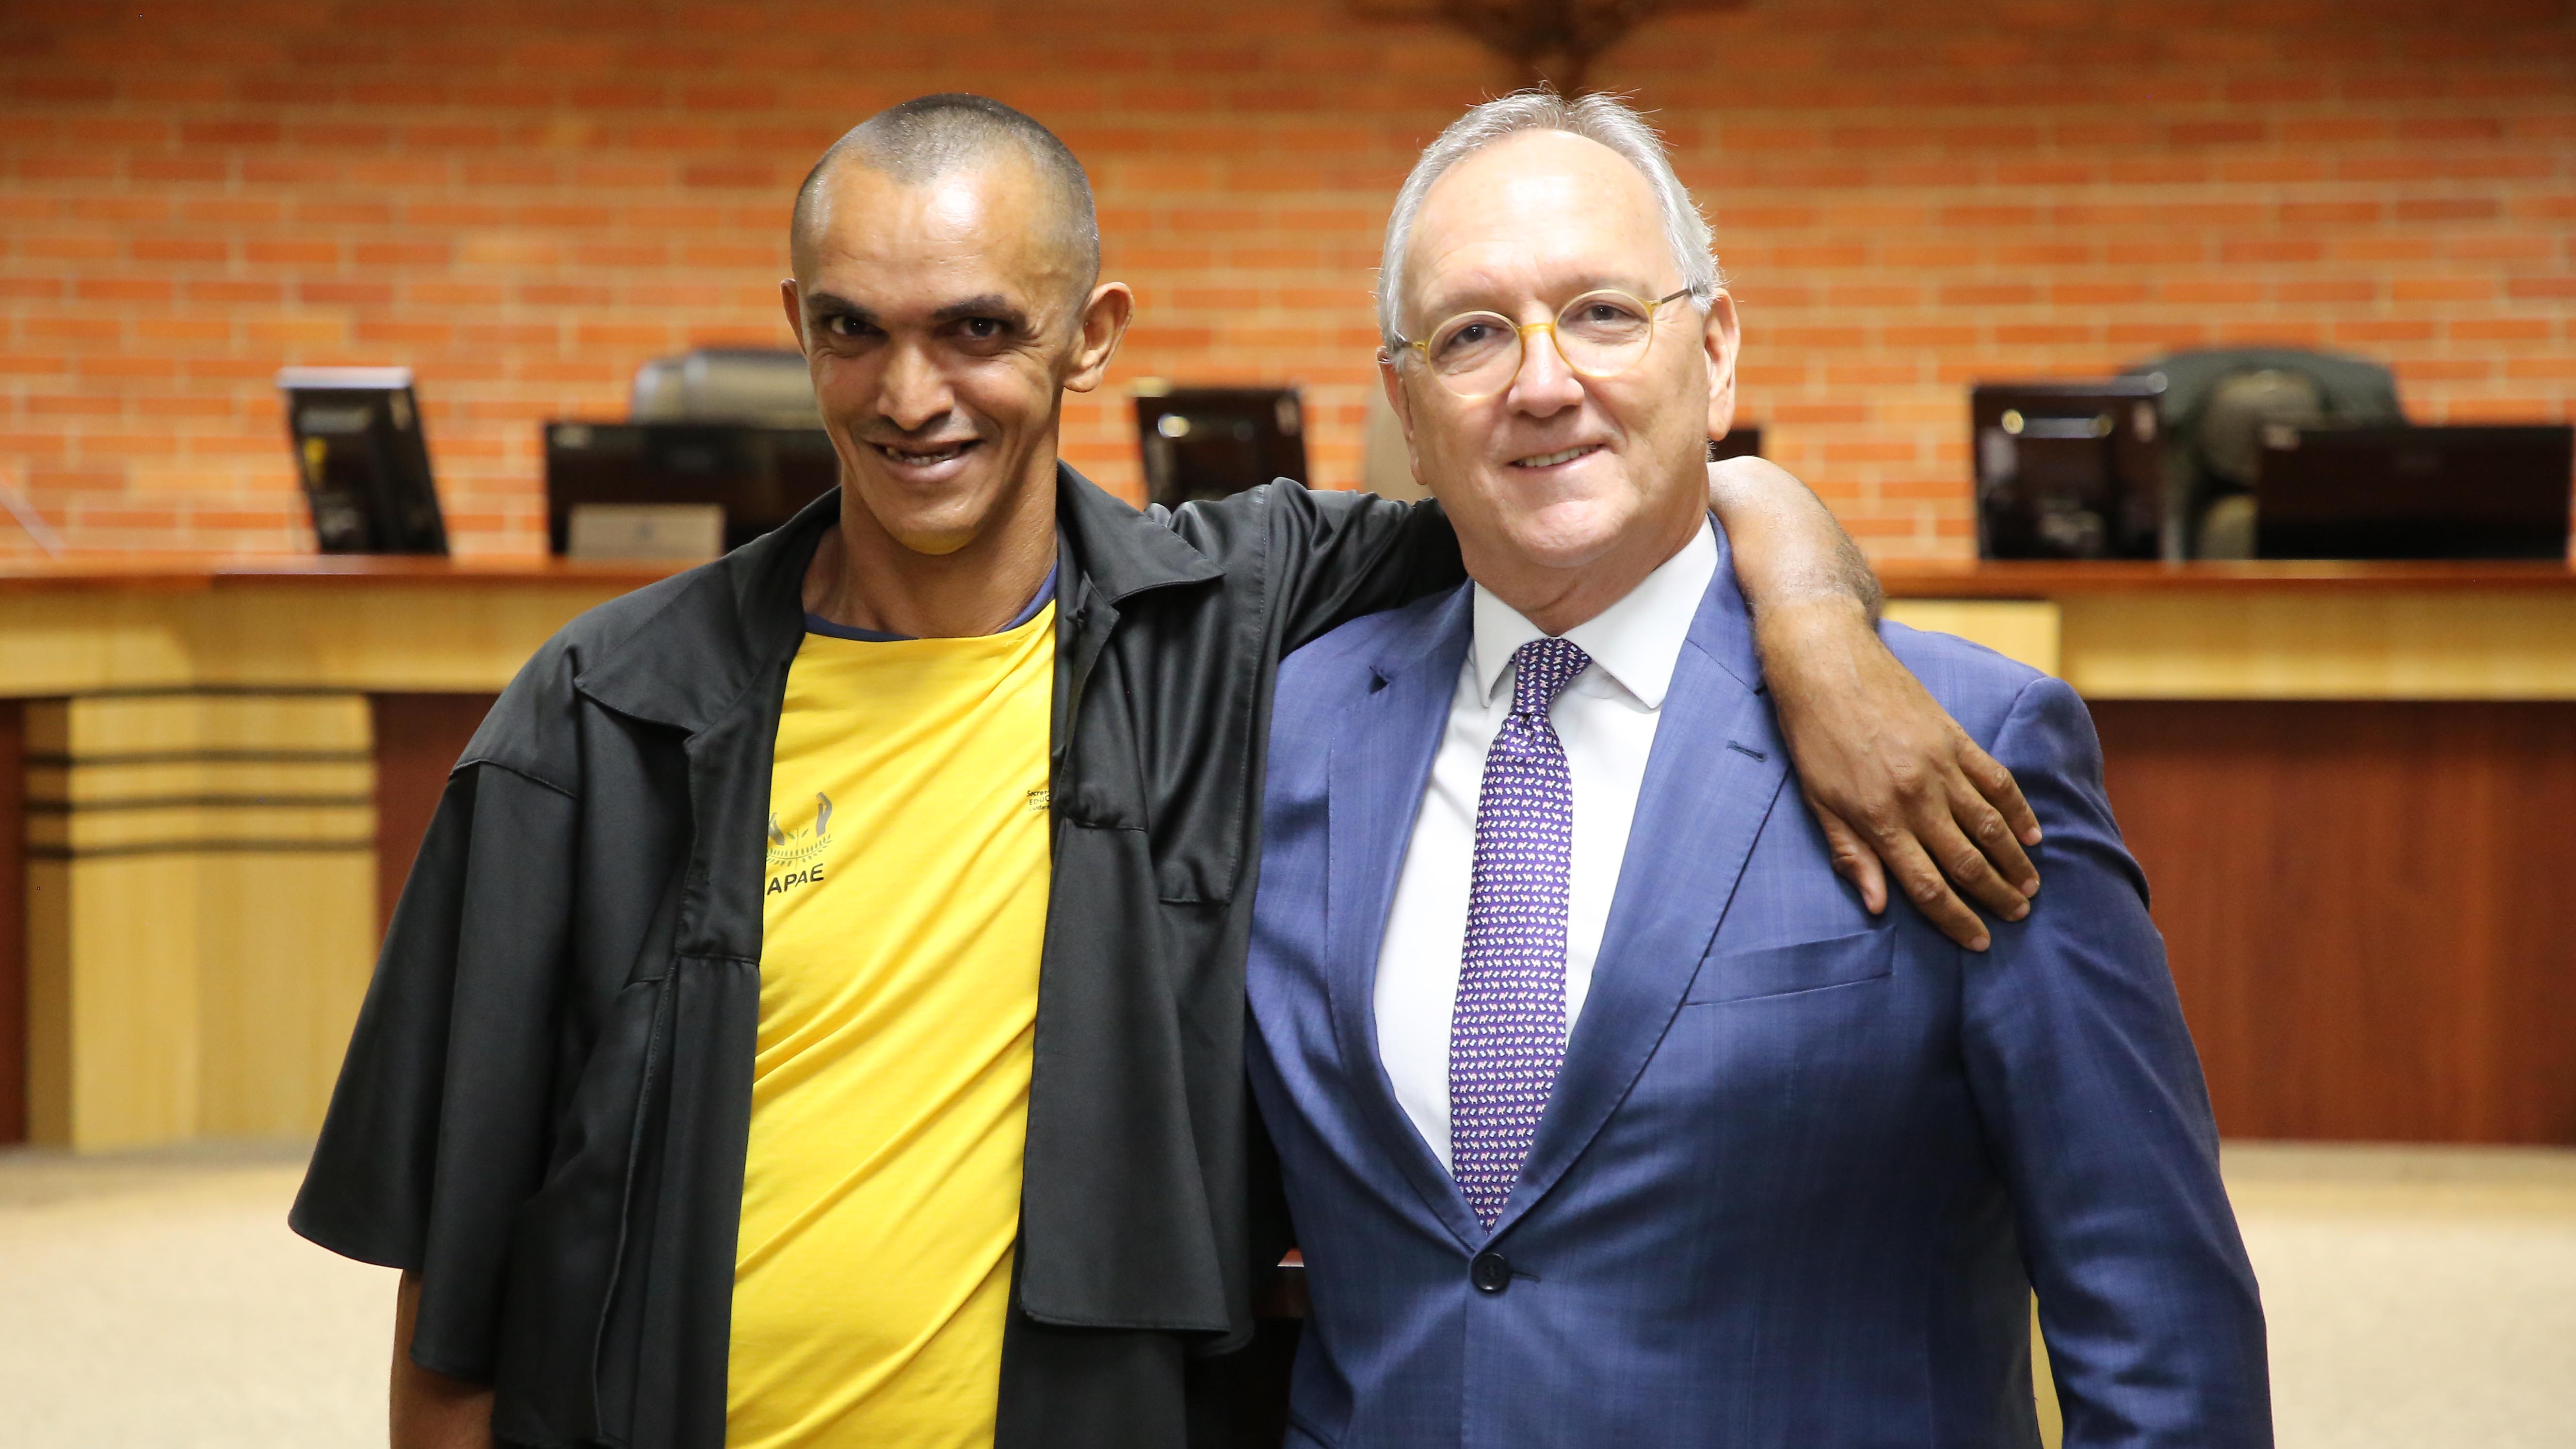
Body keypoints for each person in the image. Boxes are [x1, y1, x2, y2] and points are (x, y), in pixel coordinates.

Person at [290, 95, 2044, 1449]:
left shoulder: (1244, 616)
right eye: (853, 330)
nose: (911, 394)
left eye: (979, 329)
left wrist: (1813, 616)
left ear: (1093, 332)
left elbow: (1610, 473)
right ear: (799, 327)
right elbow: (458, 1280)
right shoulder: (597, 719)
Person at [1244, 91, 2271, 1448]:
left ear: (1715, 352)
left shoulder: (1962, 740)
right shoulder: (1290, 730)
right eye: (1473, 333)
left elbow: (2154, 1318)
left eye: (1604, 313)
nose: (1542, 381)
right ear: (1408, 406)